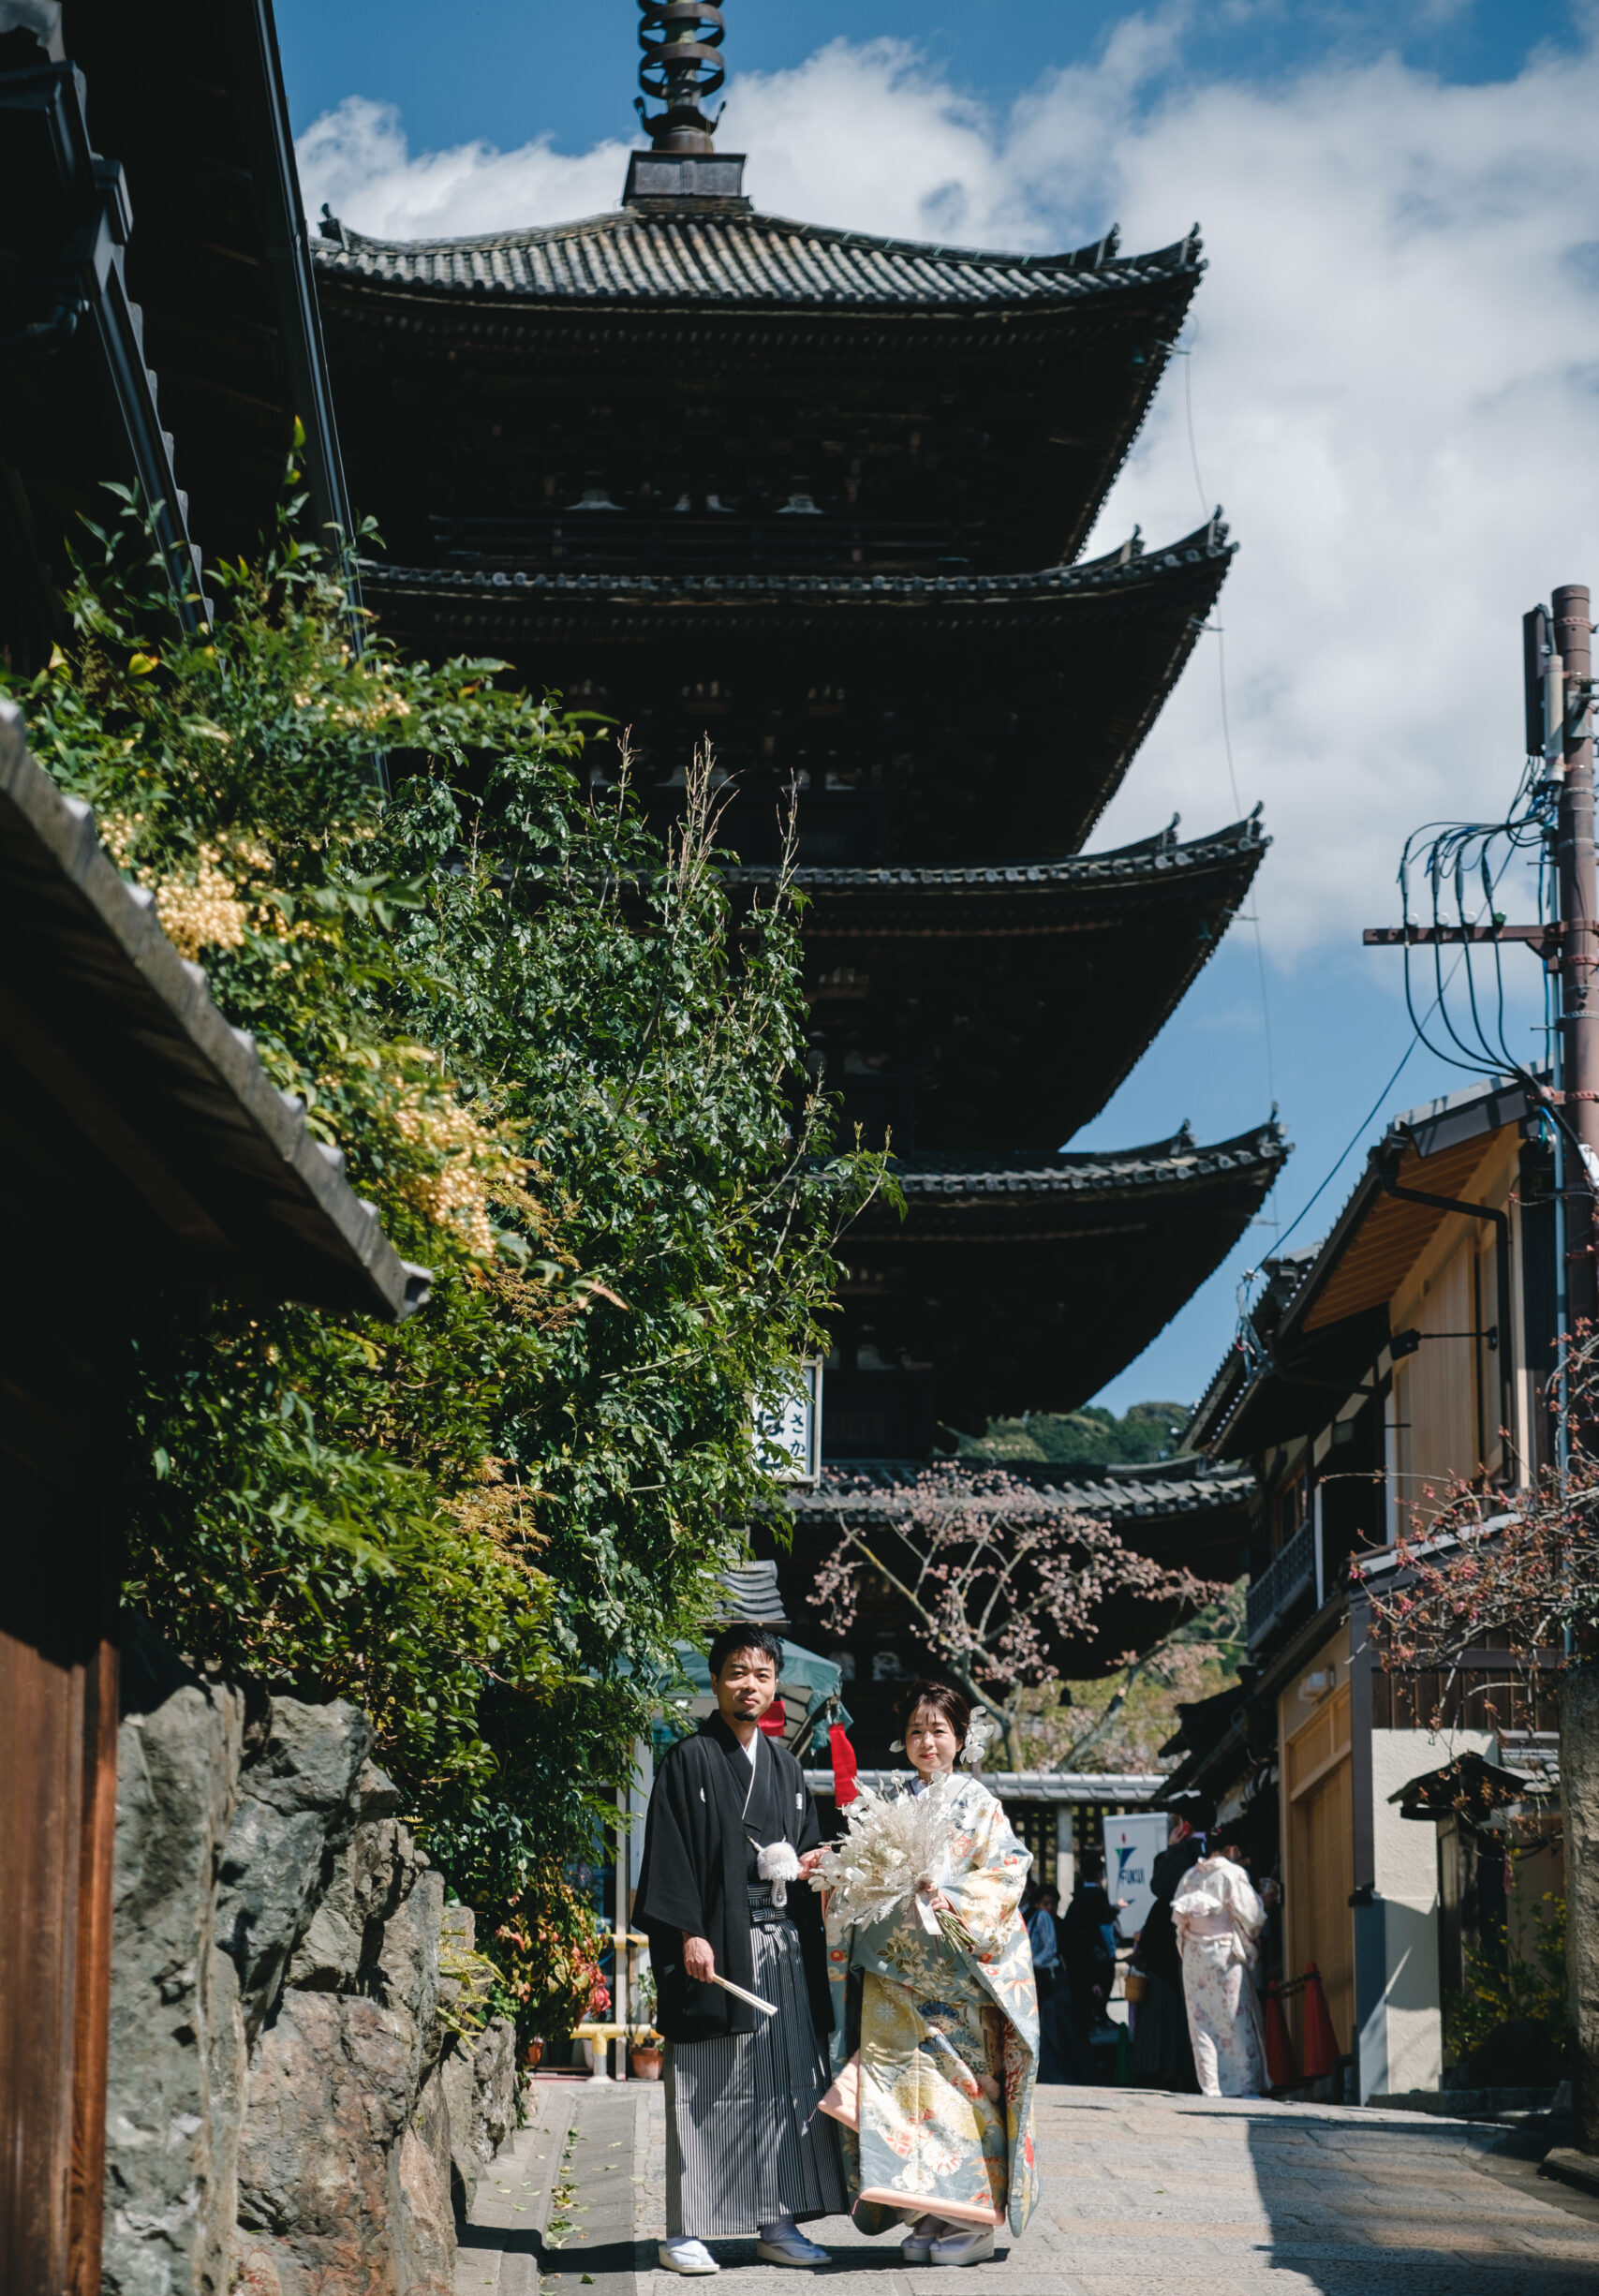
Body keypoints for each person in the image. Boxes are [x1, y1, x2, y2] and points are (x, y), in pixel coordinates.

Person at [634, 1626, 847, 2274]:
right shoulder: (688, 1760)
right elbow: (668, 1859)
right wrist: (687, 1932)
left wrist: (813, 1861)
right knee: (709, 2087)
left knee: (784, 2086)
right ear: (716, 1680)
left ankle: (775, 2220)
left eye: (759, 1673)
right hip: (718, 1946)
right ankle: (685, 2229)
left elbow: (809, 1850)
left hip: (781, 1946)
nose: (748, 1684)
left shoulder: (784, 1767)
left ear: (773, 1682)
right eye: (735, 1672)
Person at [822, 1681, 1040, 2266]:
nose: (927, 1742)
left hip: (955, 1976)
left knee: (962, 2091)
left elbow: (1007, 1870)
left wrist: (951, 1898)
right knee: (900, 2095)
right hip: (895, 1973)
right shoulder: (893, 1802)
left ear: (961, 1739)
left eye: (939, 1730)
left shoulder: (980, 1803)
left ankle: (972, 2220)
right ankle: (929, 2213)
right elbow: (866, 1881)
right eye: (916, 1731)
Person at [1170, 1837, 1268, 2097]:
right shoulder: (1232, 1873)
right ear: (1233, 1849)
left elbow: (1178, 1918)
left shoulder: (1190, 1876)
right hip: (1223, 1952)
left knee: (1201, 2021)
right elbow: (1253, 1915)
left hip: (1193, 1955)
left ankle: (1211, 2087)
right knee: (1236, 2018)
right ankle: (1245, 2086)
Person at [1127, 1810, 1207, 2093]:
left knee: (1163, 2030)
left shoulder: (1162, 1905)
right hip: (1185, 1972)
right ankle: (1182, 2073)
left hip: (1162, 1978)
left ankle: (1161, 2073)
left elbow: (1147, 1943)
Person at [1060, 1850, 1118, 2068]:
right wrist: (1111, 1953)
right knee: (1098, 1999)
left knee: (1082, 2006)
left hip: (1077, 1960)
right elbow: (1105, 1929)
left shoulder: (1077, 1900)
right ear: (1099, 1873)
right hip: (1096, 1957)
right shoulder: (1099, 1898)